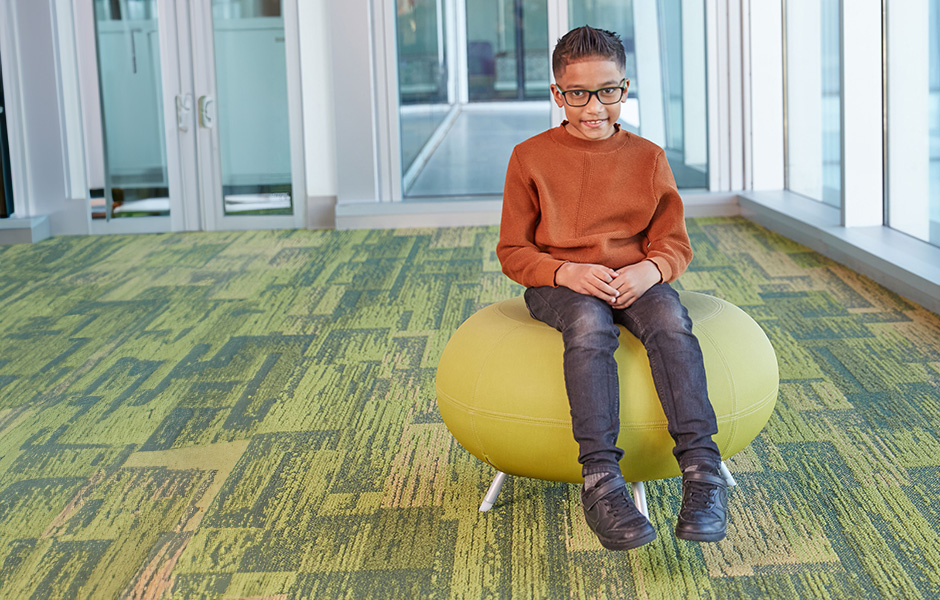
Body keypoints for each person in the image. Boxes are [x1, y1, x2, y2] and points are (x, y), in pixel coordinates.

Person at [496, 25, 729, 551]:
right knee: (588, 324)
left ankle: (702, 469)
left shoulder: (647, 158)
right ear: (558, 94)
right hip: (561, 282)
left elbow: (673, 244)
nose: (594, 106)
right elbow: (513, 250)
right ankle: (600, 480)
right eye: (578, 94)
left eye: (608, 91)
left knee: (670, 321)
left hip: (634, 278)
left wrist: (650, 271)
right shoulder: (529, 157)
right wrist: (567, 271)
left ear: (625, 88)